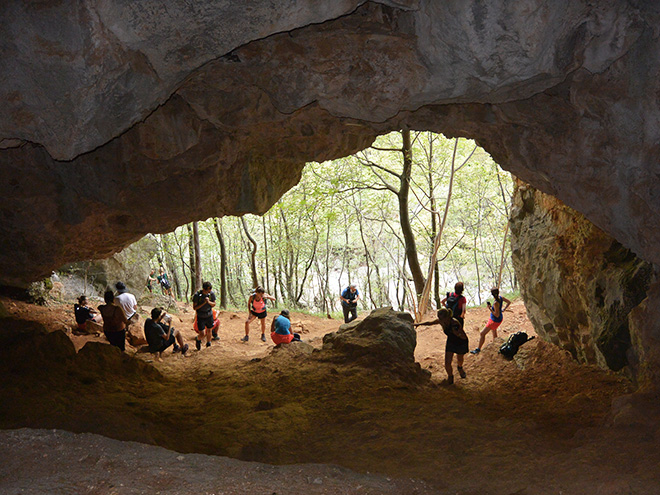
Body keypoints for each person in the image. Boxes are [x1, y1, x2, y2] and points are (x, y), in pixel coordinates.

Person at [415, 307, 468, 385]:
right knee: (447, 362)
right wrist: (418, 324)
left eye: (441, 318)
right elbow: (430, 323)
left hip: (460, 342)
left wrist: (457, 333)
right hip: (451, 341)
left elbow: (461, 334)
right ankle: (450, 376)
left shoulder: (454, 323)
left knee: (460, 359)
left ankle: (460, 367)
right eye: (439, 318)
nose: (440, 320)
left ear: (447, 317)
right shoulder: (441, 321)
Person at [471, 287, 512, 354]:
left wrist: (490, 309)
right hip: (498, 319)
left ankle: (478, 349)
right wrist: (503, 309)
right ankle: (496, 347)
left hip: (494, 320)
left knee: (482, 333)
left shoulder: (496, 303)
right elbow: (509, 302)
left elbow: (496, 314)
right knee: (494, 332)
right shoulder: (501, 298)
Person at [192, 282, 216, 350]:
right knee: (202, 333)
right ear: (204, 289)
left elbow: (214, 304)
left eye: (210, 289)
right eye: (208, 289)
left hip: (209, 315)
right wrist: (204, 303)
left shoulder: (211, 294)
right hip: (201, 316)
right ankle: (198, 339)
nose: (210, 291)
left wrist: (208, 302)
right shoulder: (197, 295)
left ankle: (208, 344)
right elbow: (195, 308)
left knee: (209, 330)